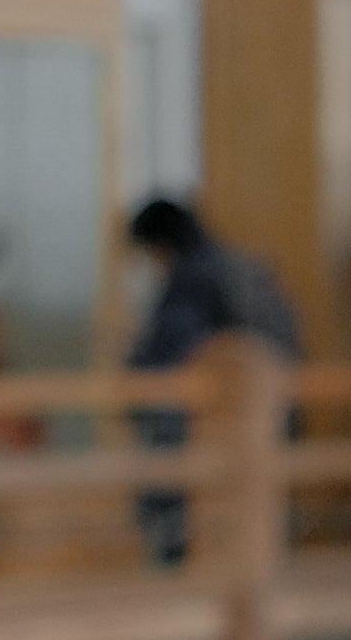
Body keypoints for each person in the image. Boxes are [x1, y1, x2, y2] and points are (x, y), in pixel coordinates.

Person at [125, 196, 303, 561]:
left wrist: (131, 379)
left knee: (186, 534)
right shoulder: (246, 268)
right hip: (275, 424)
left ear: (158, 246)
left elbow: (160, 365)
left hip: (210, 434)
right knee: (253, 537)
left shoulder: (190, 281)